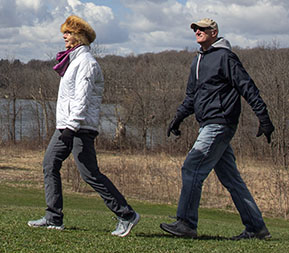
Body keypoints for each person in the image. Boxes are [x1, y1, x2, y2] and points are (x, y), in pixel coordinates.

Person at [160, 18, 274, 240]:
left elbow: (247, 86)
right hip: (207, 124)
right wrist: (178, 118)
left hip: (219, 123)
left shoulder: (225, 57)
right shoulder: (198, 61)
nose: (198, 32)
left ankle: (186, 223)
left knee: (192, 168)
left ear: (214, 32)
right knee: (232, 179)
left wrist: (264, 117)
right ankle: (256, 228)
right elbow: (192, 96)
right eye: (196, 29)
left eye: (203, 29)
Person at [28, 15, 140, 237]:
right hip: (66, 126)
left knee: (90, 174)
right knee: (49, 164)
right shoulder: (73, 61)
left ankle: (126, 215)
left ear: (78, 37)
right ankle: (53, 217)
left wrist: (72, 127)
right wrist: (66, 126)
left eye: (68, 33)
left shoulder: (87, 63)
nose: (64, 36)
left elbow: (82, 98)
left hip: (79, 127)